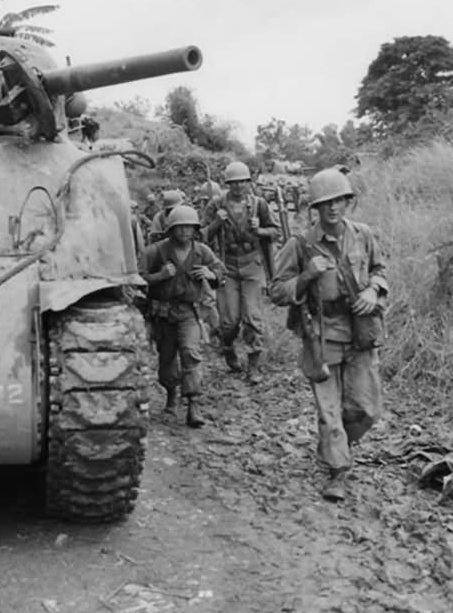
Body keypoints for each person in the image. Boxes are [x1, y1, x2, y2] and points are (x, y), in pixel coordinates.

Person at [270, 168, 387, 501]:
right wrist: (307, 275)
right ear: (316, 209)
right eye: (325, 203)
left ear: (348, 202)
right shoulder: (301, 245)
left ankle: (337, 444)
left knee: (367, 409)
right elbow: (277, 291)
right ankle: (338, 470)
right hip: (321, 335)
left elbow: (380, 270)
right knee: (329, 409)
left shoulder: (363, 234)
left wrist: (374, 292)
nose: (333, 208)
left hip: (362, 329)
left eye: (339, 200)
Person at [141, 204, 223, 428]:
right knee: (166, 361)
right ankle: (171, 395)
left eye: (189, 227)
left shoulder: (202, 251)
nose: (184, 232)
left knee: (190, 353)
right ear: (170, 229)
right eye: (179, 227)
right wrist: (159, 276)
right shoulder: (156, 251)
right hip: (163, 314)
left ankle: (193, 405)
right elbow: (138, 279)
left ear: (195, 228)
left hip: (189, 311)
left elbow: (220, 271)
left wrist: (211, 274)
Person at [203, 161, 280, 383]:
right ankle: (227, 346)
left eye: (242, 182)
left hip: (251, 265)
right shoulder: (215, 205)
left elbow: (276, 232)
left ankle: (253, 367)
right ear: (227, 184)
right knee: (229, 322)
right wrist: (217, 222)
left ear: (248, 182)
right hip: (227, 266)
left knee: (253, 318)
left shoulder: (259, 205)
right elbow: (202, 237)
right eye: (234, 183)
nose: (238, 187)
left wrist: (261, 230)